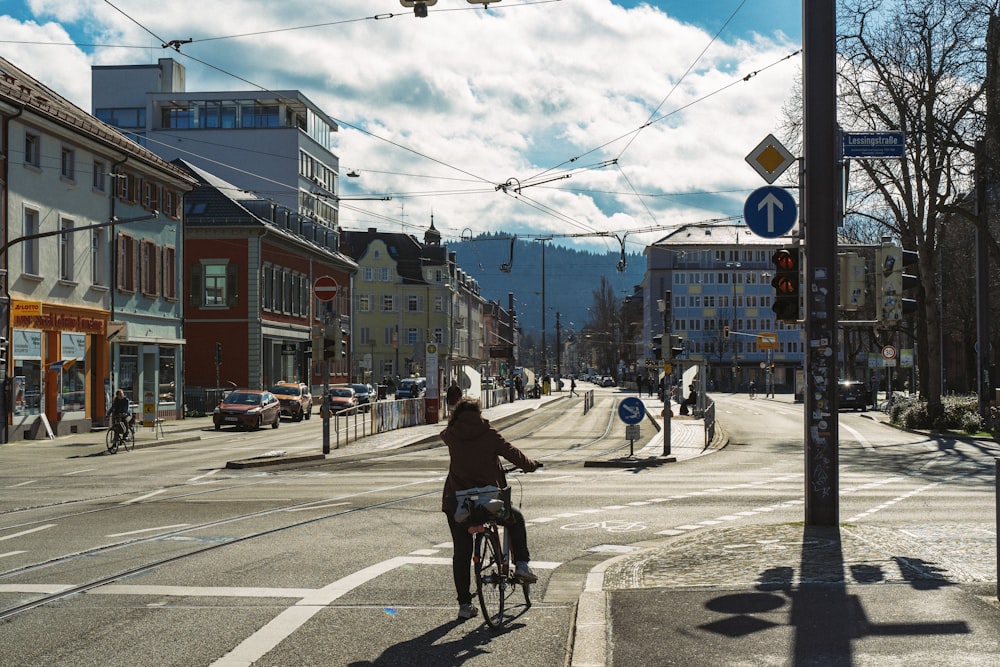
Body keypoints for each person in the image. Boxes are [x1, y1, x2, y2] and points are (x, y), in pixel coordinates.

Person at [440, 397, 541, 620]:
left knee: (462, 552)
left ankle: (465, 605)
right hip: (489, 503)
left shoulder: (451, 434)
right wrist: (530, 465)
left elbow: (444, 434)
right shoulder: (488, 433)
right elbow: (512, 453)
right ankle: (522, 565)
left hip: (458, 503)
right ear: (479, 414)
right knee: (515, 518)